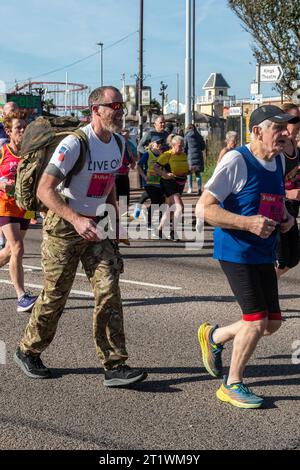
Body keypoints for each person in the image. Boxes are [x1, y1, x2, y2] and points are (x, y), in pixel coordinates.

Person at [14, 86, 147, 387]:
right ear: (95, 110)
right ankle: (27, 350)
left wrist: (114, 222)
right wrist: (75, 219)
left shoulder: (117, 144)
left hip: (97, 227)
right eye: (114, 105)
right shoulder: (75, 143)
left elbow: (108, 183)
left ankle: (115, 365)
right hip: (64, 226)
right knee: (56, 295)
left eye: (121, 105)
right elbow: (44, 190)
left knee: (109, 290)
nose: (120, 110)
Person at [196, 105, 297, 409]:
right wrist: (247, 222)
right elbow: (204, 208)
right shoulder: (236, 160)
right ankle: (232, 384)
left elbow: (273, 200)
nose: (285, 133)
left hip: (263, 252)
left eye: (286, 128)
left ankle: (214, 337)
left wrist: (286, 217)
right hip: (236, 250)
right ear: (257, 132)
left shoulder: (277, 160)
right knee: (255, 321)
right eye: (278, 128)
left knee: (271, 324)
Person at [0, 110, 38, 311]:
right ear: (8, 130)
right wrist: (0, 183)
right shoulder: (2, 151)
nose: (22, 130)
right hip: (4, 206)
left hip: (24, 207)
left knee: (7, 253)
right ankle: (22, 297)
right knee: (17, 248)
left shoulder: (30, 153)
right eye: (18, 128)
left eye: (25, 127)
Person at [276, 103, 300, 278]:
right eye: (295, 119)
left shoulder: (295, 145)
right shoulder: (278, 147)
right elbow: (266, 181)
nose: (298, 123)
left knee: (294, 258)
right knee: (282, 258)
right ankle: (263, 293)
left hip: (291, 207)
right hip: (276, 206)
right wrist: (287, 193)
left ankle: (265, 288)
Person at [155, 134, 189, 240]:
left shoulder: (183, 155)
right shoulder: (166, 155)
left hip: (180, 183)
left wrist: (189, 171)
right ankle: (174, 232)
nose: (181, 148)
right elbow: (155, 167)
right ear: (173, 145)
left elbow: (184, 168)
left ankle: (159, 230)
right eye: (180, 146)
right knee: (179, 207)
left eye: (183, 146)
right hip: (168, 183)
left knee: (170, 209)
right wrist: (164, 174)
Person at [0, 102, 20, 248]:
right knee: (17, 247)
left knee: (11, 251)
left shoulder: (28, 144)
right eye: (11, 110)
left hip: (22, 203)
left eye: (16, 109)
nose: (15, 112)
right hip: (4, 199)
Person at [137, 135, 165, 232]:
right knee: (155, 203)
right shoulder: (147, 154)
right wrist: (144, 176)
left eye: (161, 143)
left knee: (161, 203)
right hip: (149, 183)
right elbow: (139, 166)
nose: (160, 145)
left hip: (159, 183)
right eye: (157, 143)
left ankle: (160, 223)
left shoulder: (162, 155)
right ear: (152, 144)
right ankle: (149, 223)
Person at [184, 124, 206, 195]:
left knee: (189, 173)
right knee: (197, 173)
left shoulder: (187, 136)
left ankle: (190, 188)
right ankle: (199, 188)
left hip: (190, 157)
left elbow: (185, 146)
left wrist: (185, 153)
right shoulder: (199, 136)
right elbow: (203, 146)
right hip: (199, 156)